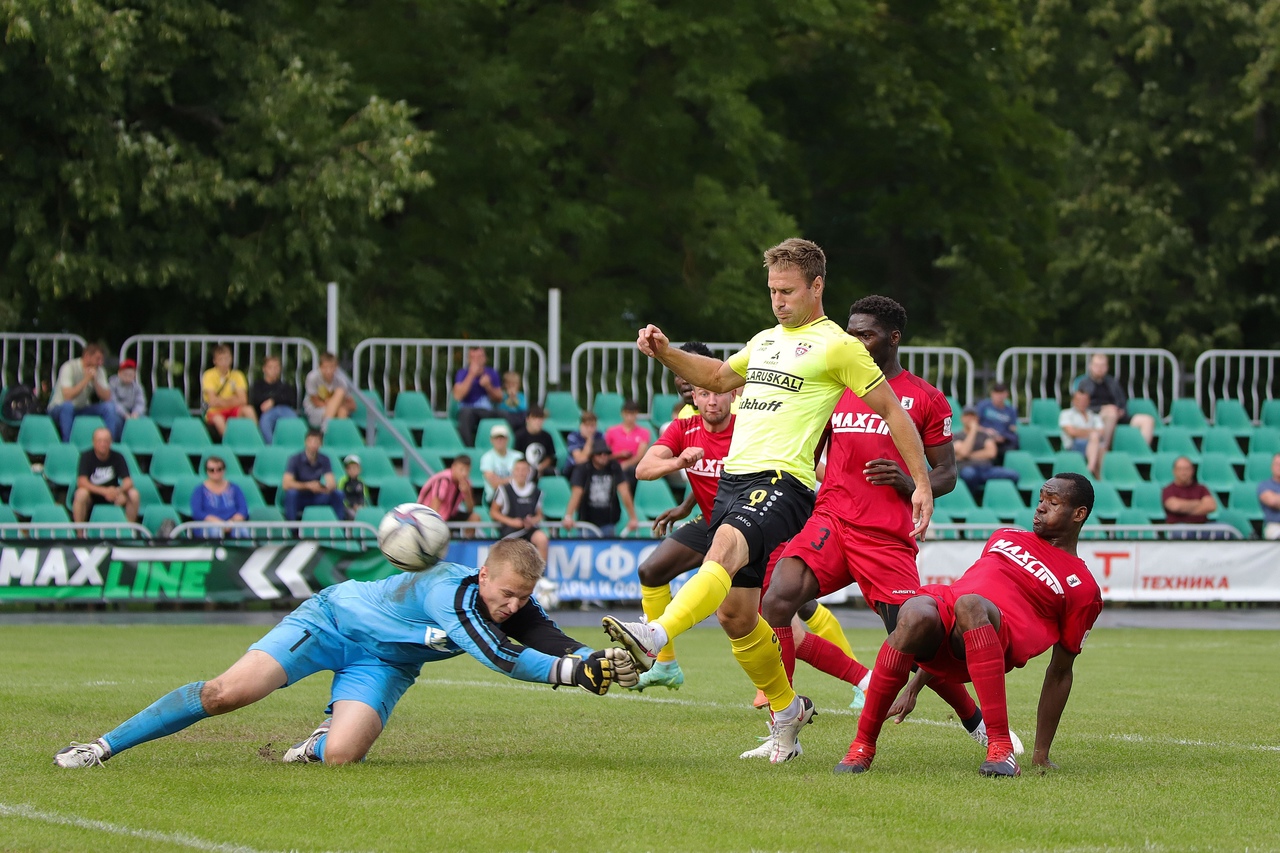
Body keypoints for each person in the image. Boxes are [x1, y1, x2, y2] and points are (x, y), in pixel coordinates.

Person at [602, 238, 933, 762]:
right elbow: (713, 376)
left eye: (788, 291)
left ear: (817, 286)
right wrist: (665, 353)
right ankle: (786, 715)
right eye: (772, 291)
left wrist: (921, 483)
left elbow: (893, 411)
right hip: (736, 481)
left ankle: (654, 635)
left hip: (783, 481)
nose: (777, 301)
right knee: (736, 615)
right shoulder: (764, 340)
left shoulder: (837, 345)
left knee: (723, 551)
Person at [53, 539, 637, 769]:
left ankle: (318, 738)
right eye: (506, 594)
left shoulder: (514, 602)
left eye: (522, 598)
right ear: (483, 574)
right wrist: (573, 673)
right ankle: (102, 747)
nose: (512, 607)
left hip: (384, 664)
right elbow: (501, 658)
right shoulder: (450, 592)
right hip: (331, 622)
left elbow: (547, 638)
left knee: (340, 758)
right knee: (224, 694)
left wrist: (594, 662)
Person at [751, 295, 999, 763]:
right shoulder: (834, 386)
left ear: (893, 338)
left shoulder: (925, 397)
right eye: (851, 333)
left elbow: (946, 473)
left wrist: (910, 483)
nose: (856, 341)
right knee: (778, 597)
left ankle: (976, 721)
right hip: (832, 520)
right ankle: (783, 728)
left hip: (884, 536)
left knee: (915, 636)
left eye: (865, 334)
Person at [835, 474, 1102, 778]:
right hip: (954, 615)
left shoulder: (1083, 589)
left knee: (970, 605)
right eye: (1041, 499)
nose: (1040, 508)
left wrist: (1041, 754)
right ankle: (862, 747)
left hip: (998, 632)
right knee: (913, 614)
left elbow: (1060, 671)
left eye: (1052, 502)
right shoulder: (1005, 536)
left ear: (1079, 514)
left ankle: (1001, 748)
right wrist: (914, 686)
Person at [564, 439, 640, 537]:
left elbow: (624, 491)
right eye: (599, 453)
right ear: (593, 455)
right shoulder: (583, 469)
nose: (603, 456)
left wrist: (633, 517)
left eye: (606, 453)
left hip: (608, 521)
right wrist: (568, 516)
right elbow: (577, 493)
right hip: (586, 521)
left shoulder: (614, 467)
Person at [1077, 353, 1156, 448]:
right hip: (1097, 416)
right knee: (1111, 413)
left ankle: (1141, 450)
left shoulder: (1112, 382)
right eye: (1097, 365)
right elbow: (1082, 406)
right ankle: (1104, 447)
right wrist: (1103, 408)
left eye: (1102, 365)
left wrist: (1121, 411)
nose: (1099, 368)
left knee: (1147, 420)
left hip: (1118, 415)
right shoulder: (1084, 384)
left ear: (1107, 367)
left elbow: (1122, 401)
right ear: (1090, 366)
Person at [47, 343, 118, 443]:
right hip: (59, 407)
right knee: (68, 406)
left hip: (82, 408)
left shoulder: (99, 370)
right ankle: (67, 444)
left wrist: (95, 381)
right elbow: (68, 396)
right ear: (87, 356)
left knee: (109, 407)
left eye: (102, 359)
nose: (100, 363)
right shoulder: (69, 367)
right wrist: (86, 379)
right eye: (98, 359)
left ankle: (109, 442)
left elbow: (107, 397)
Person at [72, 427, 140, 524]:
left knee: (134, 494)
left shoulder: (118, 457)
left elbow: (128, 481)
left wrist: (117, 491)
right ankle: (80, 535)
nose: (103, 444)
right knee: (81, 494)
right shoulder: (86, 456)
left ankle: (128, 531)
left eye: (106, 441)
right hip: (92, 495)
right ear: (93, 442)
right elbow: (82, 482)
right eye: (99, 441)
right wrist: (104, 491)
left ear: (111, 442)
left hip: (113, 495)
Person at [490, 458, 549, 561]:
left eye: (524, 470)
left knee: (542, 539)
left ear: (528, 472)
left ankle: (540, 574)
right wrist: (511, 521)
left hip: (528, 528)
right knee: (511, 548)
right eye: (518, 469)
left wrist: (533, 521)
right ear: (513, 471)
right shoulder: (504, 489)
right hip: (510, 529)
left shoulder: (536, 491)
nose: (521, 473)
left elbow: (540, 515)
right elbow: (494, 512)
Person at [282, 428, 346, 521]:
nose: (313, 444)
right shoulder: (295, 459)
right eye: (310, 441)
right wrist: (308, 486)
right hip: (301, 495)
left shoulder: (324, 459)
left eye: (316, 442)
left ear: (321, 444)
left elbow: (331, 481)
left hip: (317, 494)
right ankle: (292, 530)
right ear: (305, 442)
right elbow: (286, 484)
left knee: (338, 494)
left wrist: (326, 487)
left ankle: (339, 528)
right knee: (291, 494)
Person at [955, 405, 1020, 495]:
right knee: (969, 475)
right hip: (968, 468)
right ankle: (974, 499)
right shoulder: (956, 436)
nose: (970, 419)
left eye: (973, 416)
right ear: (962, 418)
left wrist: (967, 456)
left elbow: (991, 453)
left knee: (1013, 475)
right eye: (967, 416)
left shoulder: (984, 435)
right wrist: (973, 430)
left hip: (986, 469)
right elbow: (964, 451)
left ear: (977, 418)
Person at [201, 344, 256, 438]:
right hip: (215, 411)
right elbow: (213, 402)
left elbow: (243, 400)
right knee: (219, 419)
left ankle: (255, 437)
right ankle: (230, 442)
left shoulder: (237, 375)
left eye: (227, 358)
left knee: (249, 410)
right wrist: (234, 399)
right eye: (221, 359)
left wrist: (221, 400)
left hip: (233, 410)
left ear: (231, 358)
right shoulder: (208, 375)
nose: (224, 362)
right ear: (215, 361)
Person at [452, 347, 503, 446]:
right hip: (468, 409)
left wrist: (488, 387)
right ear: (468, 359)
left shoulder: (492, 373)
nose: (476, 360)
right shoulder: (462, 373)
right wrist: (471, 375)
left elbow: (499, 398)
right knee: (465, 415)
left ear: (485, 359)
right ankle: (468, 449)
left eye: (479, 357)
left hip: (486, 410)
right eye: (473, 357)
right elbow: (458, 396)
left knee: (504, 415)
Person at [418, 455, 481, 533]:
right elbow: (435, 505)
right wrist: (435, 523)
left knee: (474, 517)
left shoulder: (466, 483)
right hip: (427, 514)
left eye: (467, 470)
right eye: (461, 470)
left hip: (449, 514)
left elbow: (470, 509)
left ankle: (466, 543)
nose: (464, 473)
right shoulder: (444, 480)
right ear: (453, 467)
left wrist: (467, 494)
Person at [191, 455, 248, 538]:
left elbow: (243, 509)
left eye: (219, 469)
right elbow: (197, 512)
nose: (215, 472)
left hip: (232, 523)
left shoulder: (235, 488)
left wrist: (232, 522)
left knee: (242, 530)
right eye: (211, 470)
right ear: (206, 471)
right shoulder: (199, 490)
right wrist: (218, 523)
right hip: (209, 525)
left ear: (224, 470)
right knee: (215, 530)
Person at [1162, 455, 1218, 537]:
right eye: (1180, 469)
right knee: (1183, 532)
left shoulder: (1201, 488)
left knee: (1223, 529)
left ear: (1192, 470)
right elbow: (1175, 506)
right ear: (1174, 471)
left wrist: (1184, 508)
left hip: (1202, 526)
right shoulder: (1168, 490)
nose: (1183, 472)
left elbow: (1211, 506)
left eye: (1186, 469)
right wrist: (1199, 504)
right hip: (1179, 527)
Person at [250, 355, 299, 443]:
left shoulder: (285, 386)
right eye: (270, 367)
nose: (274, 370)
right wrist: (276, 400)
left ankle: (295, 443)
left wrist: (273, 401)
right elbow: (256, 400)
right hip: (266, 413)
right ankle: (271, 446)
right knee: (265, 421)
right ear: (264, 369)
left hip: (284, 411)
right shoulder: (258, 385)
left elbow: (291, 400)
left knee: (292, 417)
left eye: (276, 367)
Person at [604, 400, 652, 486]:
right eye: (627, 414)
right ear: (622, 414)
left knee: (631, 471)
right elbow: (605, 454)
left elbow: (639, 456)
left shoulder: (644, 433)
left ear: (636, 414)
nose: (629, 417)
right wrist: (619, 455)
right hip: (613, 464)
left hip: (632, 467)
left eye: (632, 414)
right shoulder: (611, 431)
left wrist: (625, 464)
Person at [303, 352, 356, 431]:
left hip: (332, 412)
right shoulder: (312, 377)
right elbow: (316, 402)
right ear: (320, 367)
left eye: (332, 367)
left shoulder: (340, 381)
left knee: (342, 408)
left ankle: (333, 432)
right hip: (314, 412)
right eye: (325, 367)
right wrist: (334, 404)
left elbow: (353, 405)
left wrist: (335, 403)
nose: (328, 371)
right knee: (340, 399)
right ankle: (328, 430)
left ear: (336, 367)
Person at [1059, 388, 1105, 478]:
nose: (1082, 402)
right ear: (1073, 401)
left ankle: (1093, 472)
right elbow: (1071, 432)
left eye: (1084, 400)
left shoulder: (1093, 415)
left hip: (1092, 446)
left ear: (1089, 401)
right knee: (1096, 440)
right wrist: (1092, 432)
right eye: (1079, 400)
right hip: (1073, 446)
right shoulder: (1066, 414)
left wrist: (1080, 431)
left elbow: (1102, 432)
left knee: (1100, 447)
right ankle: (1095, 474)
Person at [480, 422, 524, 505]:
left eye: (502, 438)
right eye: (496, 438)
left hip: (517, 495)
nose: (499, 440)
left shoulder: (518, 456)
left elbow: (524, 479)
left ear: (507, 439)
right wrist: (514, 479)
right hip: (495, 497)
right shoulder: (486, 458)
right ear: (491, 440)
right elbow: (494, 483)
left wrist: (501, 480)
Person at [975, 381, 1018, 458]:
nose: (999, 396)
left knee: (1014, 442)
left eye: (1002, 393)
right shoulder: (983, 406)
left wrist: (1003, 437)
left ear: (1006, 394)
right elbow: (974, 424)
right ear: (992, 394)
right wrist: (986, 431)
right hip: (985, 438)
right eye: (997, 393)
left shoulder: (1011, 410)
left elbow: (1013, 428)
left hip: (1003, 440)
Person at [108, 358, 147, 439]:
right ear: (119, 373)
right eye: (125, 374)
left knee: (143, 419)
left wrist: (136, 413)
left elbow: (140, 402)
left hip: (132, 412)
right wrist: (124, 414)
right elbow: (113, 401)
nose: (127, 377)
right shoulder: (112, 384)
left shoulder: (137, 387)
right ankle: (116, 440)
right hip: (118, 412)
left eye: (130, 375)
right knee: (116, 420)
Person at [515, 405, 556, 481]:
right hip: (525, 470)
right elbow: (516, 457)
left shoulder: (547, 436)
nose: (538, 422)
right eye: (535, 418)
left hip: (543, 469)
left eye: (540, 419)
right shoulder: (519, 436)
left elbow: (550, 457)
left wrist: (541, 467)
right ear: (527, 419)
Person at [562, 411, 600, 476]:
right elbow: (580, 460)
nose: (590, 429)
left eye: (592, 426)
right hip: (574, 468)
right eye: (587, 426)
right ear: (581, 426)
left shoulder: (600, 436)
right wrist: (589, 440)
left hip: (594, 467)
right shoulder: (573, 436)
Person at [338, 454, 371, 519]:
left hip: (360, 508)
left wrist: (361, 506)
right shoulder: (342, 481)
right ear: (346, 470)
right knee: (352, 515)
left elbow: (365, 498)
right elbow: (341, 497)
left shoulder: (361, 482)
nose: (353, 470)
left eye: (355, 468)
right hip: (347, 508)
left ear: (359, 469)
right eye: (350, 468)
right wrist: (352, 505)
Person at [1259, 453, 1280, 541]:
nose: (1279, 467)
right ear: (1272, 467)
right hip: (1274, 526)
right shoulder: (1264, 485)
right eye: (1277, 464)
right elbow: (1272, 501)